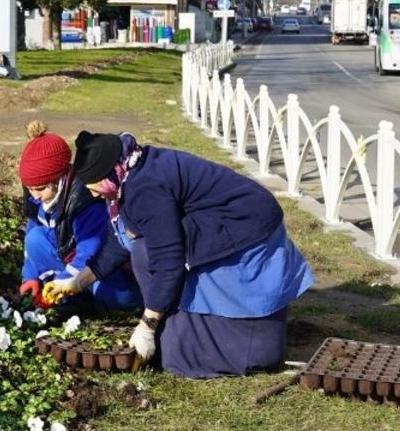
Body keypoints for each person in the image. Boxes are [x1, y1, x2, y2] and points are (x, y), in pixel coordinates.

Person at [45, 132, 314, 378]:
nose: (91, 192)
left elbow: (167, 261)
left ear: (110, 173)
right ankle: (182, 327)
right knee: (143, 255)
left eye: (93, 184)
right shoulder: (129, 173)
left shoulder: (144, 188)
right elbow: (121, 239)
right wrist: (77, 282)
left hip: (246, 233)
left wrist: (148, 326)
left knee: (148, 261)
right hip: (229, 224)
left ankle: (243, 348)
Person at [16, 122, 141, 311]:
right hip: (67, 253)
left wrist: (65, 283)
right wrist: (30, 276)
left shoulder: (86, 199)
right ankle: (69, 292)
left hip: (100, 264)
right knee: (34, 238)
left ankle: (81, 293)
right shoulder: (36, 192)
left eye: (40, 189)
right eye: (29, 189)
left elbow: (90, 250)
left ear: (59, 179)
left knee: (119, 297)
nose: (35, 195)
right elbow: (32, 231)